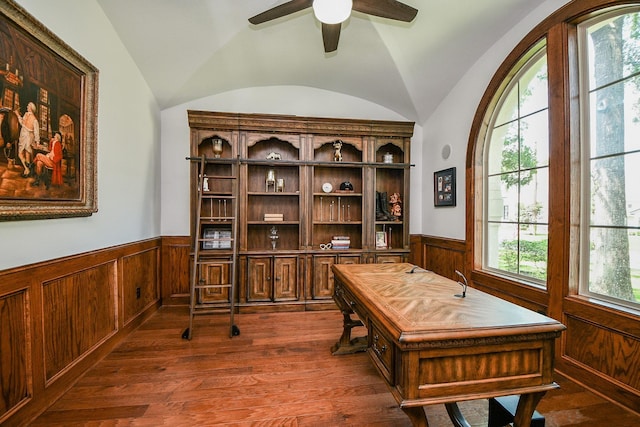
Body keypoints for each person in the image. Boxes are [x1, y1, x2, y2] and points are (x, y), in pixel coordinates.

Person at [15, 102, 39, 176]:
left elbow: (36, 132)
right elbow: (22, 123)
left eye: (28, 106)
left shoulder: (35, 120)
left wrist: (37, 142)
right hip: (24, 135)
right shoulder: (26, 115)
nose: (27, 107)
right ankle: (27, 169)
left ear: (31, 108)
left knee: (25, 154)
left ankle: (27, 170)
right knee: (21, 153)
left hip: (27, 136)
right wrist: (18, 115)